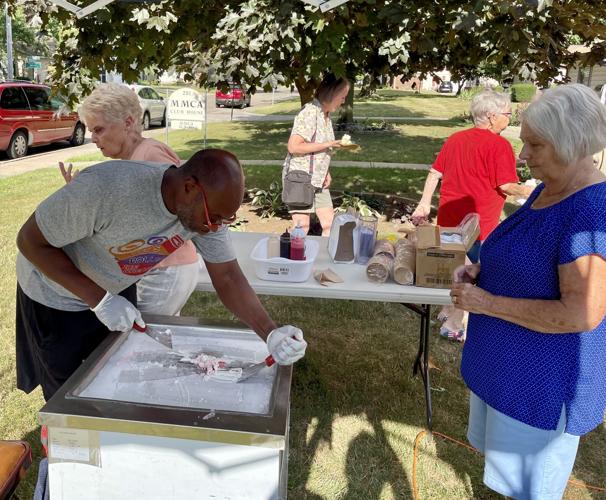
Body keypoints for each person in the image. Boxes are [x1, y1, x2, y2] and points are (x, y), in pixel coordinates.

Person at [16, 149, 307, 401]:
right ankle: (59, 459)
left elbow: (228, 275)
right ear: (189, 188)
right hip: (56, 296)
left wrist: (270, 332)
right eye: (213, 218)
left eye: (223, 220)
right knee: (69, 389)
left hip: (115, 289)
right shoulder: (107, 189)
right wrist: (99, 300)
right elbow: (30, 241)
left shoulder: (205, 213)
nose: (214, 227)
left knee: (114, 376)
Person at [450, 84, 606, 499]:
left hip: (542, 385)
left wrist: (488, 303)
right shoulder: (549, 188)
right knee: (511, 484)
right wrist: (485, 272)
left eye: (534, 145)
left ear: (570, 144)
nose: (523, 156)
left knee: (530, 490)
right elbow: (531, 259)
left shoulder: (589, 211)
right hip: (510, 370)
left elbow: (581, 314)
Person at [58, 82, 199, 316]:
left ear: (128, 123)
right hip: (158, 268)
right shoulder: (135, 158)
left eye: (99, 129)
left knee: (142, 339)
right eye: (91, 130)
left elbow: (180, 213)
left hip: (167, 269)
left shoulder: (150, 155)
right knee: (153, 340)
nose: (93, 138)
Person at [411, 90, 533, 341]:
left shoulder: (455, 139)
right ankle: (454, 325)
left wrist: (424, 204)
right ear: (491, 116)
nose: (509, 119)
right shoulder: (500, 146)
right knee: (470, 273)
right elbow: (506, 186)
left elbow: (434, 173)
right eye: (507, 114)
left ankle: (446, 311)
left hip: (448, 219)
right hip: (478, 225)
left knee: (454, 268)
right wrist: (533, 190)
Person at [282, 74, 349, 236]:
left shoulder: (325, 115)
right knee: (302, 227)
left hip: (318, 180)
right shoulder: (310, 112)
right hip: (300, 178)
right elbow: (293, 146)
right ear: (331, 93)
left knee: (329, 225)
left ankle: (322, 260)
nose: (343, 101)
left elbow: (317, 150)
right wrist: (329, 144)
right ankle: (290, 259)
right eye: (342, 97)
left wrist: (326, 172)